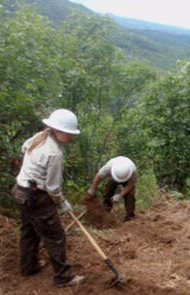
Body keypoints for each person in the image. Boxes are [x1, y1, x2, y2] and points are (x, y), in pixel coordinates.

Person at [12, 109, 86, 287]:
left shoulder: (41, 136)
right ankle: (63, 277)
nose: (71, 137)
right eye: (69, 134)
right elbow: (53, 188)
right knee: (55, 236)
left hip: (20, 191)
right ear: (59, 131)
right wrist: (62, 203)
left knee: (29, 231)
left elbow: (24, 147)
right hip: (37, 198)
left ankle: (28, 266)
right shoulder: (55, 154)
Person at [87, 156, 137, 222]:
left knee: (130, 194)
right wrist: (93, 189)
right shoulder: (109, 167)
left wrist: (120, 195)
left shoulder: (133, 171)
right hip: (113, 178)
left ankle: (129, 217)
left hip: (128, 181)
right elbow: (98, 177)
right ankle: (106, 211)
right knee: (108, 191)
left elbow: (131, 185)